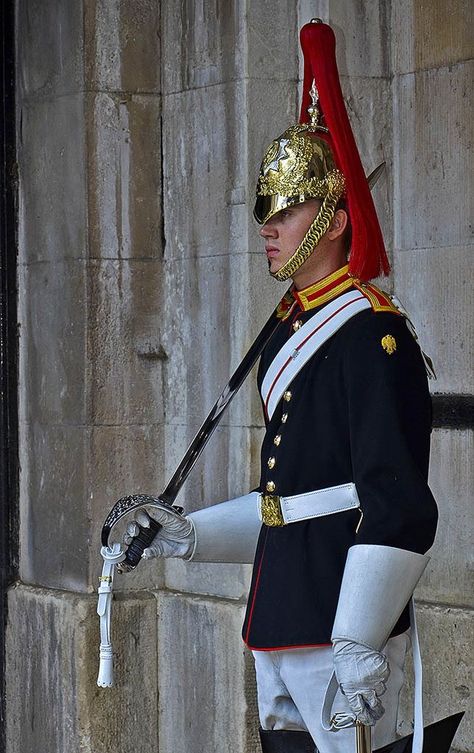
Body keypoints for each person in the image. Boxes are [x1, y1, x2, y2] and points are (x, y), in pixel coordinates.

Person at [123, 21, 438, 753]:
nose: (268, 228)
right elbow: (288, 500)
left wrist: (360, 636)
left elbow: (399, 505)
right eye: (265, 212)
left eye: (286, 210)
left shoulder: (371, 335)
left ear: (329, 217)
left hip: (340, 619)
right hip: (282, 608)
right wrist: (195, 534)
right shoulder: (289, 334)